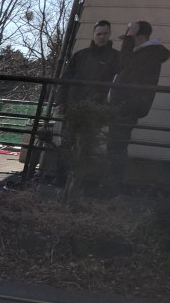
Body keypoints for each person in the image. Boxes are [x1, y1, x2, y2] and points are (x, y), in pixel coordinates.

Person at [106, 21, 170, 193]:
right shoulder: (145, 54)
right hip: (124, 106)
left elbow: (125, 63)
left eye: (130, 38)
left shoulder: (149, 54)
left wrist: (128, 39)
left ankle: (112, 189)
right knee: (114, 145)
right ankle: (110, 187)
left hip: (127, 107)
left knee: (117, 146)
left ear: (140, 36)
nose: (127, 42)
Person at [54, 20, 119, 187]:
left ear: (109, 34)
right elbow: (66, 79)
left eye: (105, 33)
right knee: (67, 142)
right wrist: (60, 101)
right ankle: (60, 179)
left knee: (89, 144)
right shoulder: (80, 55)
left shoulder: (115, 58)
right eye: (99, 34)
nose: (102, 37)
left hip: (95, 110)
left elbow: (119, 80)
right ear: (93, 35)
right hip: (73, 106)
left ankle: (82, 182)